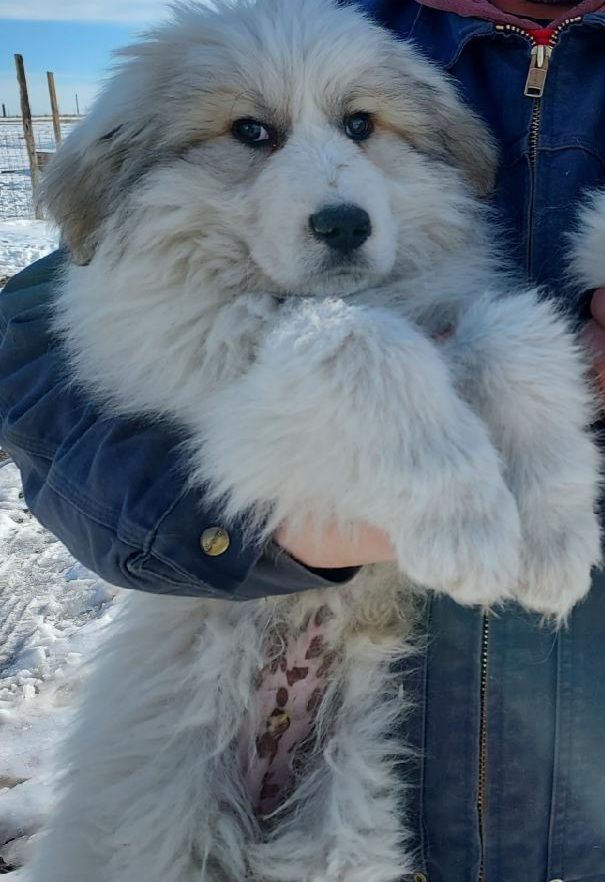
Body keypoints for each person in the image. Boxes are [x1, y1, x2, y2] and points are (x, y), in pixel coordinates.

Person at [1, 0, 605, 878]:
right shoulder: (332, 23)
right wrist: (242, 530)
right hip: (222, 729)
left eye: (360, 127)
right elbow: (33, 363)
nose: (333, 180)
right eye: (252, 132)